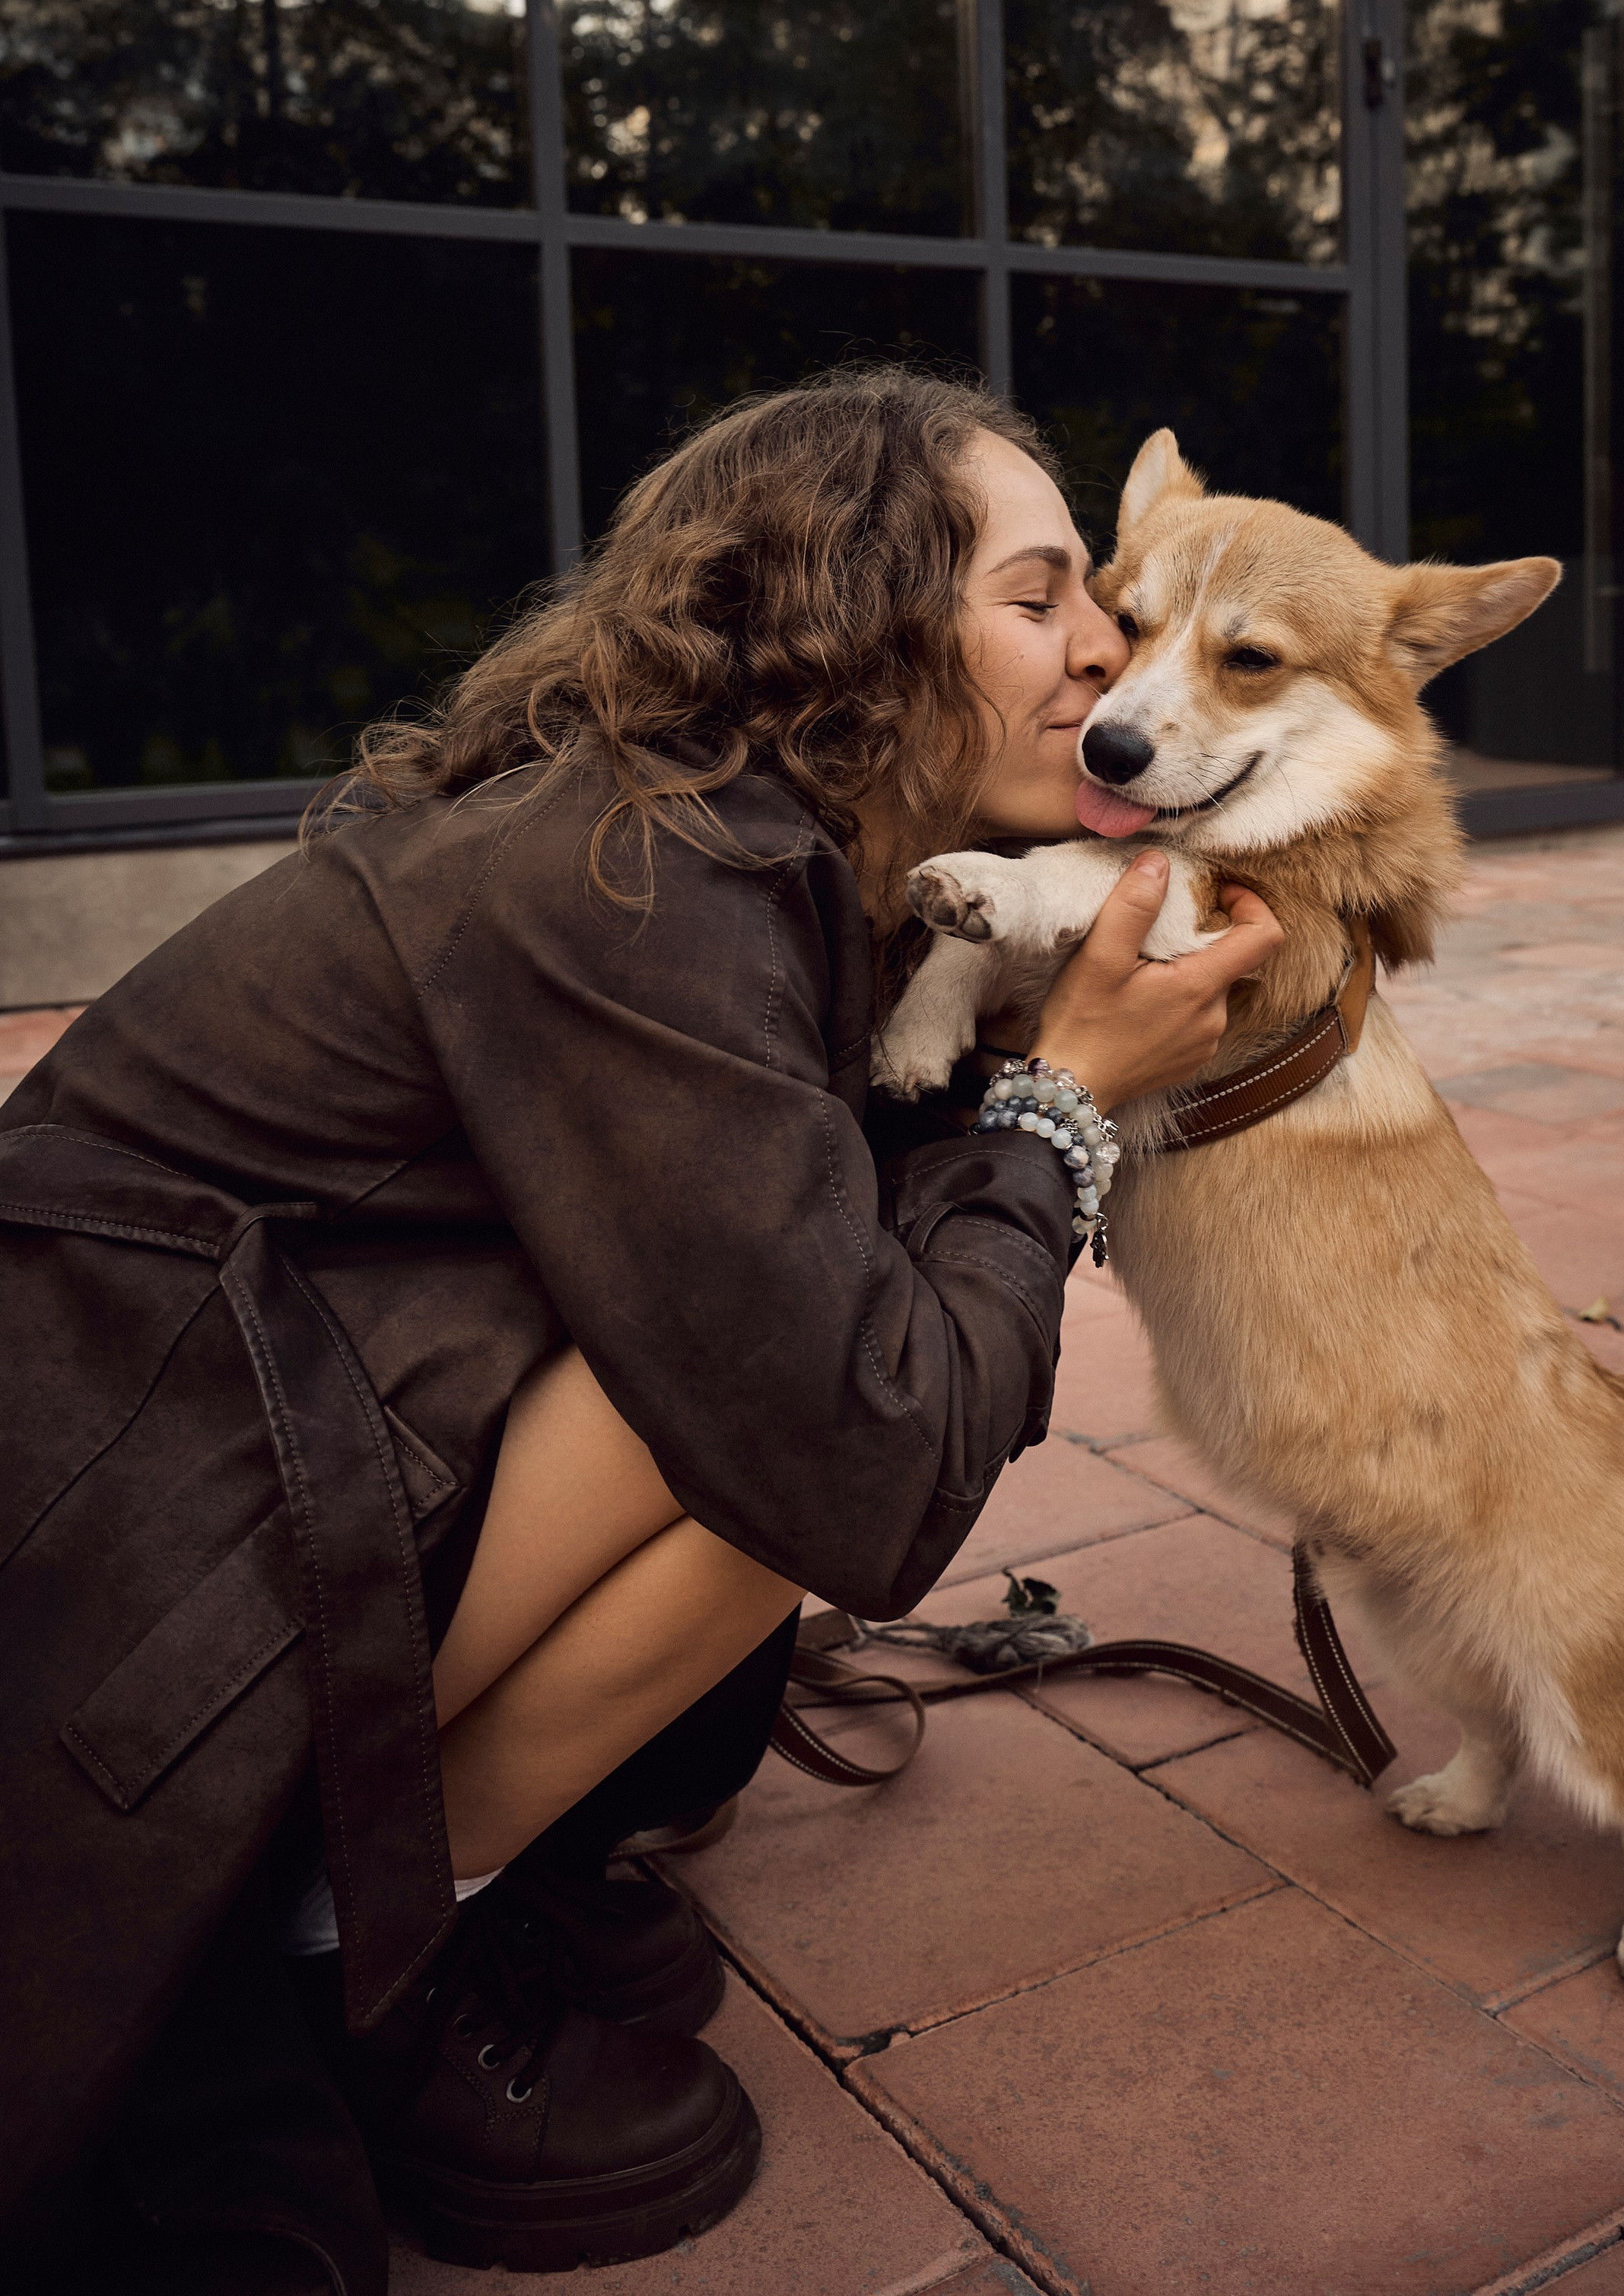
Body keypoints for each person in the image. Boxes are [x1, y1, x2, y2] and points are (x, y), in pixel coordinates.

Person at [0, 369, 1277, 2290]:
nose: (1104, 643)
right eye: (1039, 596)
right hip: (100, 1575)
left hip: (209, 1440)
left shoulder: (741, 843)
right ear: (844, 616)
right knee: (790, 1427)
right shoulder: (637, 876)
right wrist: (1062, 1101)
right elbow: (874, 1447)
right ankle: (339, 1948)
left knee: (783, 1352)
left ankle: (444, 1868)